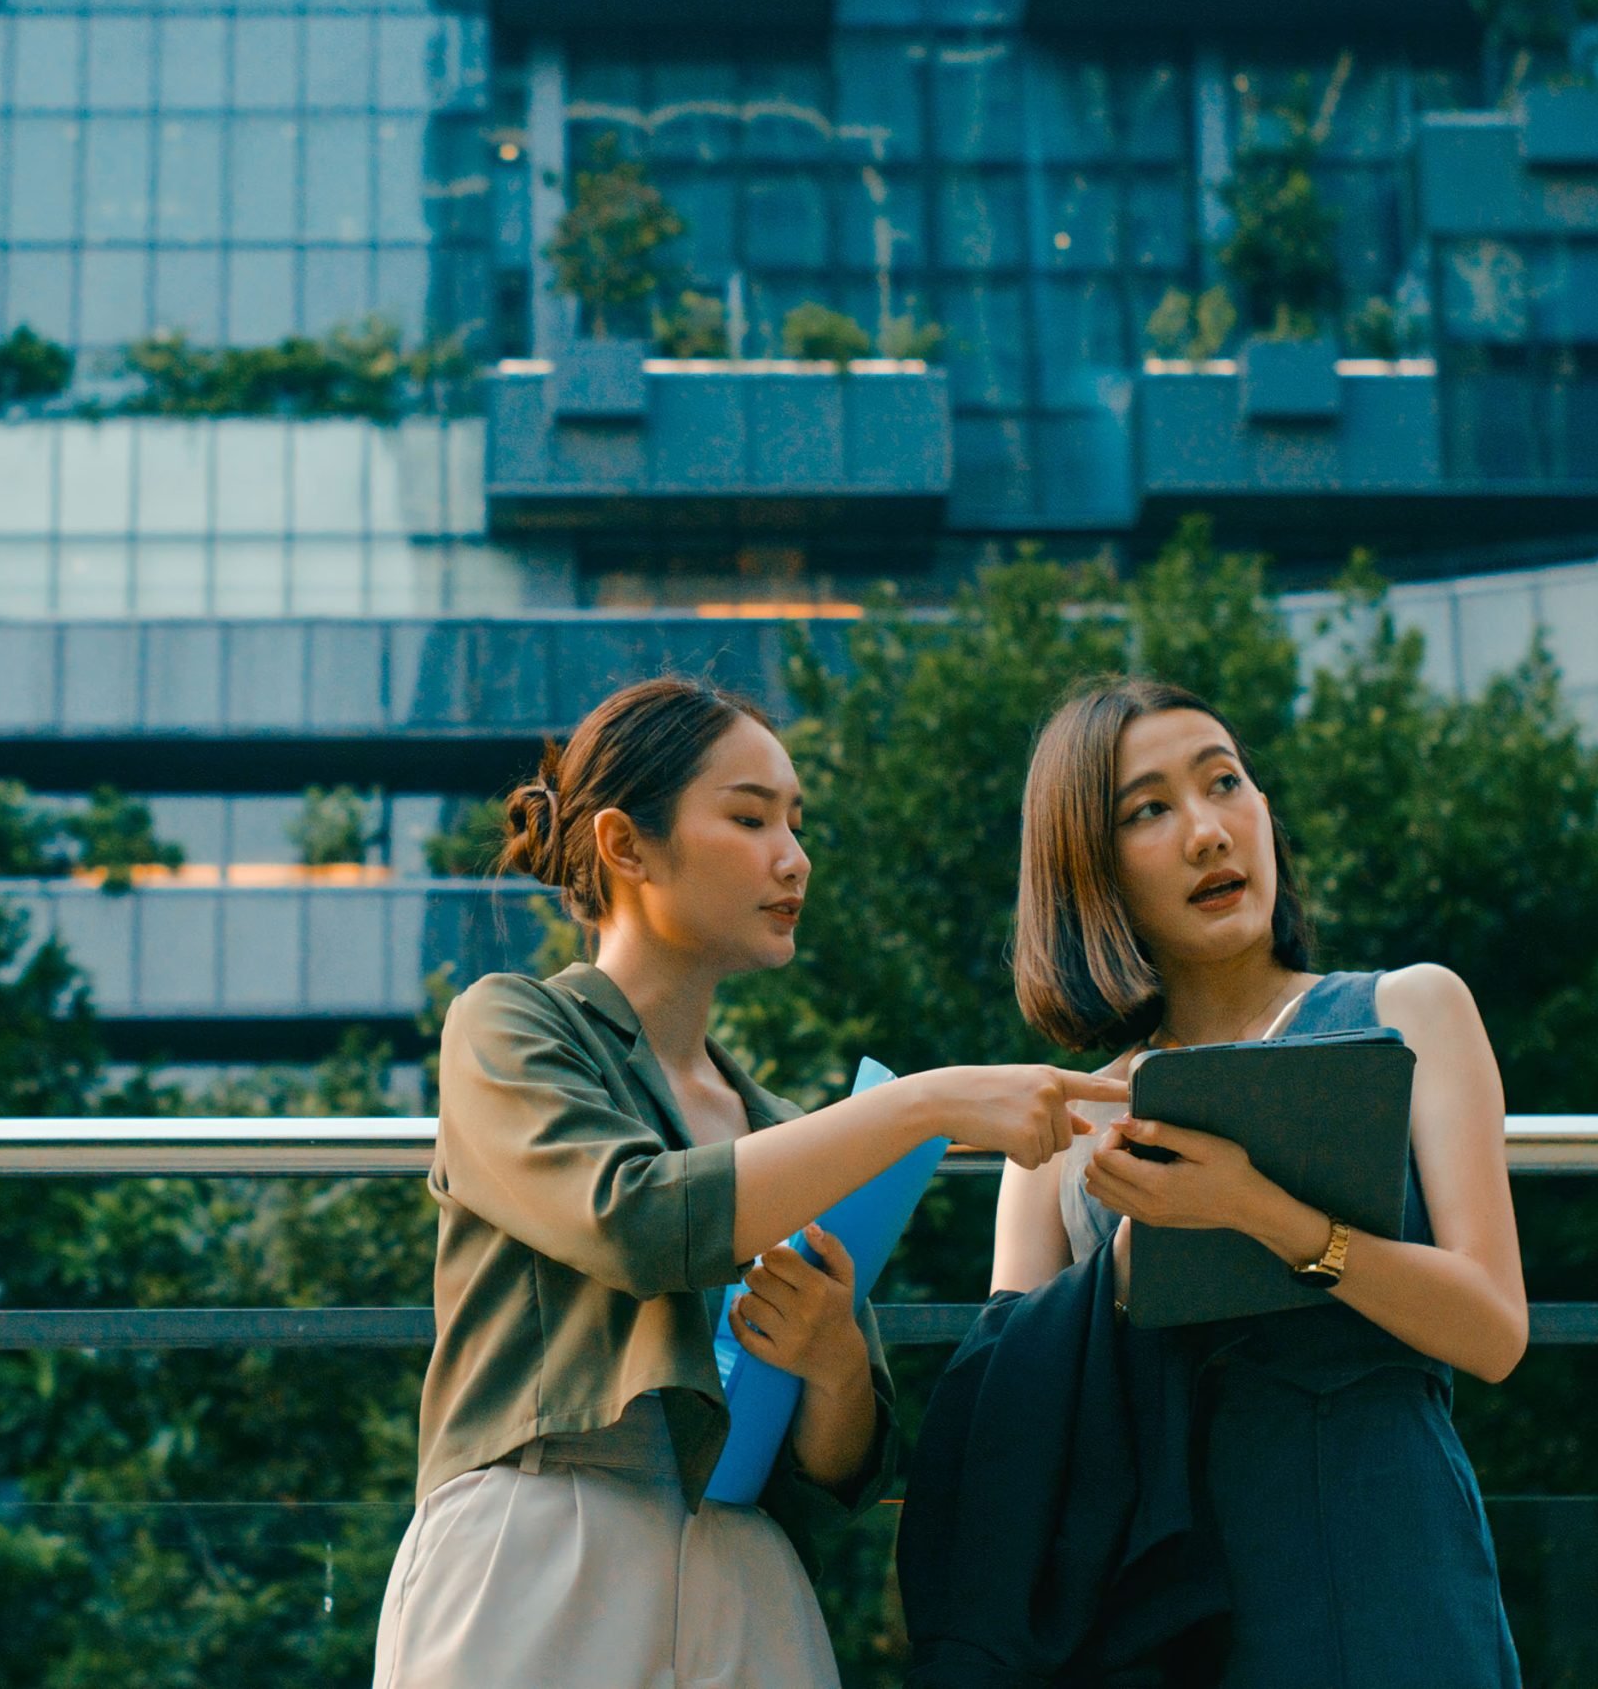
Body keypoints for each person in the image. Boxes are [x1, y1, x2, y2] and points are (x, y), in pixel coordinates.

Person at [374, 674, 1125, 1689]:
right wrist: (925, 1105)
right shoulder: (510, 1026)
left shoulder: (782, 1129)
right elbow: (633, 1220)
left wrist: (830, 1364)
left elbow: (846, 1470)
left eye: (796, 822)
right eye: (749, 816)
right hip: (543, 1539)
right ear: (624, 845)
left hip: (746, 1571)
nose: (793, 857)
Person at [994, 675, 1528, 1688]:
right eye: (1147, 810)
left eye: (1225, 782)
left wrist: (1255, 1212)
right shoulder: (1065, 1122)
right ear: (1086, 869)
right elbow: (1010, 1420)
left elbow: (1494, 1330)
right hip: (1160, 1609)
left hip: (1391, 1573)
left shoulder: (1410, 1012)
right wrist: (1128, 1263)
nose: (1207, 831)